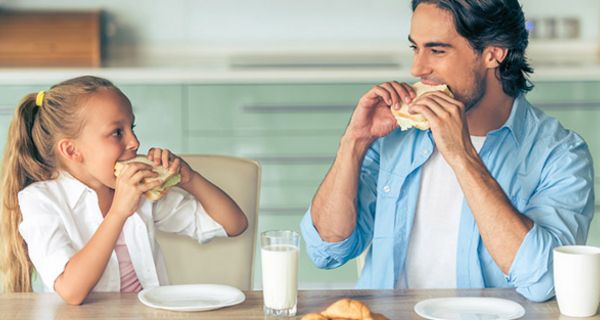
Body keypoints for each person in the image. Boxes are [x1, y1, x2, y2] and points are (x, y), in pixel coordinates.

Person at [300, 0, 594, 302]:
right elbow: (327, 250)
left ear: (494, 53)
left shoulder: (560, 155)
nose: (417, 68)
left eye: (437, 50)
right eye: (416, 48)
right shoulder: (396, 135)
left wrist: (462, 156)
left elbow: (543, 281)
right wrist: (355, 142)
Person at [0, 76, 248, 304]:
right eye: (117, 132)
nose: (134, 142)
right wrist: (118, 212)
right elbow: (71, 291)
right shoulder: (40, 201)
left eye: (132, 128)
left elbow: (234, 224)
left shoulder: (140, 189)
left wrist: (190, 179)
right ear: (72, 151)